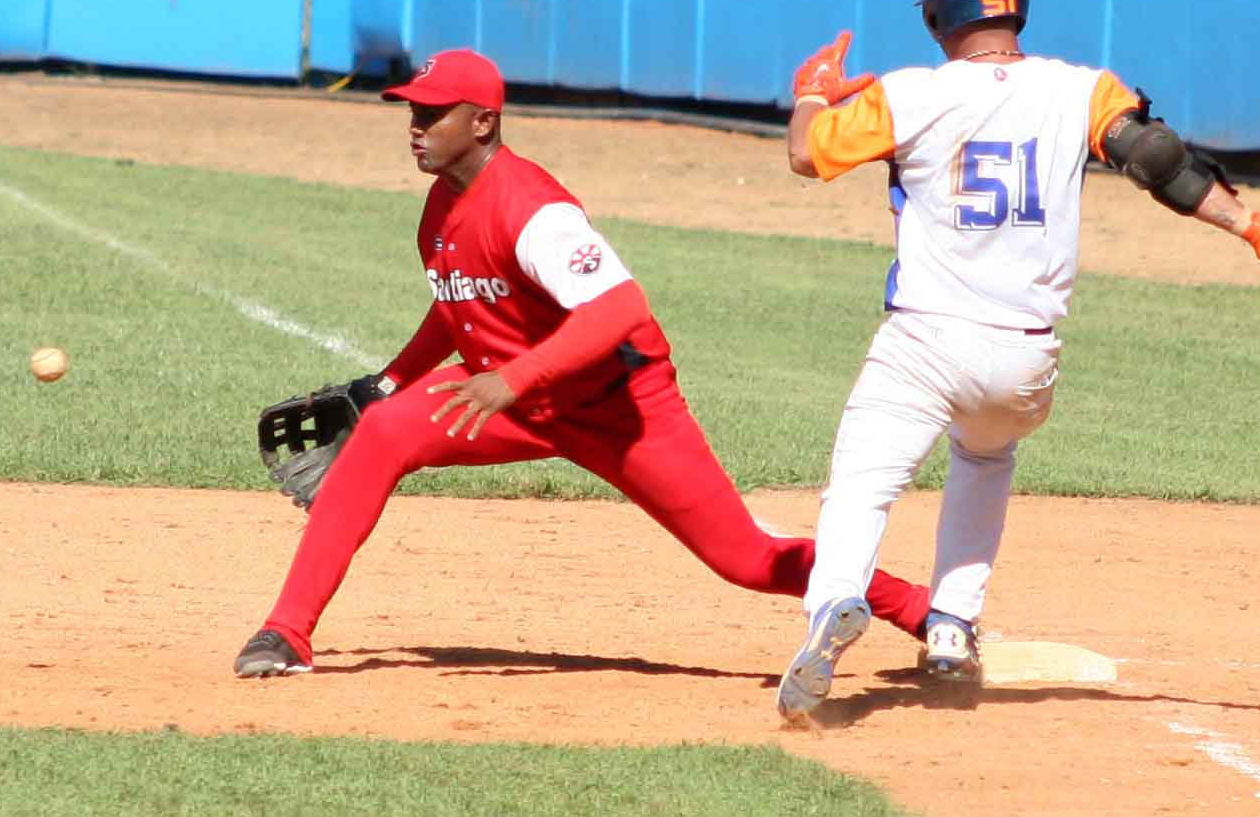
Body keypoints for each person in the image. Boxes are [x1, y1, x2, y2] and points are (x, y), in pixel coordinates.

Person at [234, 47, 934, 679]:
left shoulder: (533, 210)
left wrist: (510, 379)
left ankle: (920, 609)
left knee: (747, 558)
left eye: (433, 113)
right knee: (383, 431)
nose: (416, 126)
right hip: (509, 399)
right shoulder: (441, 207)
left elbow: (620, 307)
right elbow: (462, 304)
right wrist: (386, 384)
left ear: (482, 122)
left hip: (619, 407)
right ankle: (286, 632)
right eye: (412, 111)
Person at [774, 0, 1260, 719]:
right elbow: (1159, 159)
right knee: (986, 456)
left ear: (937, 13)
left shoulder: (907, 95)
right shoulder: (1081, 90)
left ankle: (833, 606)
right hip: (1028, 361)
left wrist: (814, 92)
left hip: (928, 342)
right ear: (1016, 4)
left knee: (865, 479)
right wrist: (1250, 224)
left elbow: (803, 155)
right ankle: (953, 626)